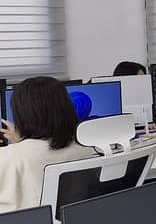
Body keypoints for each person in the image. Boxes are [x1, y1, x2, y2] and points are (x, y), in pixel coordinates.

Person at [0, 77, 97, 213]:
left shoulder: (7, 157)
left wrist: (19, 145)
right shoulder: (89, 151)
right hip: (69, 223)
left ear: (22, 116)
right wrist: (21, 144)